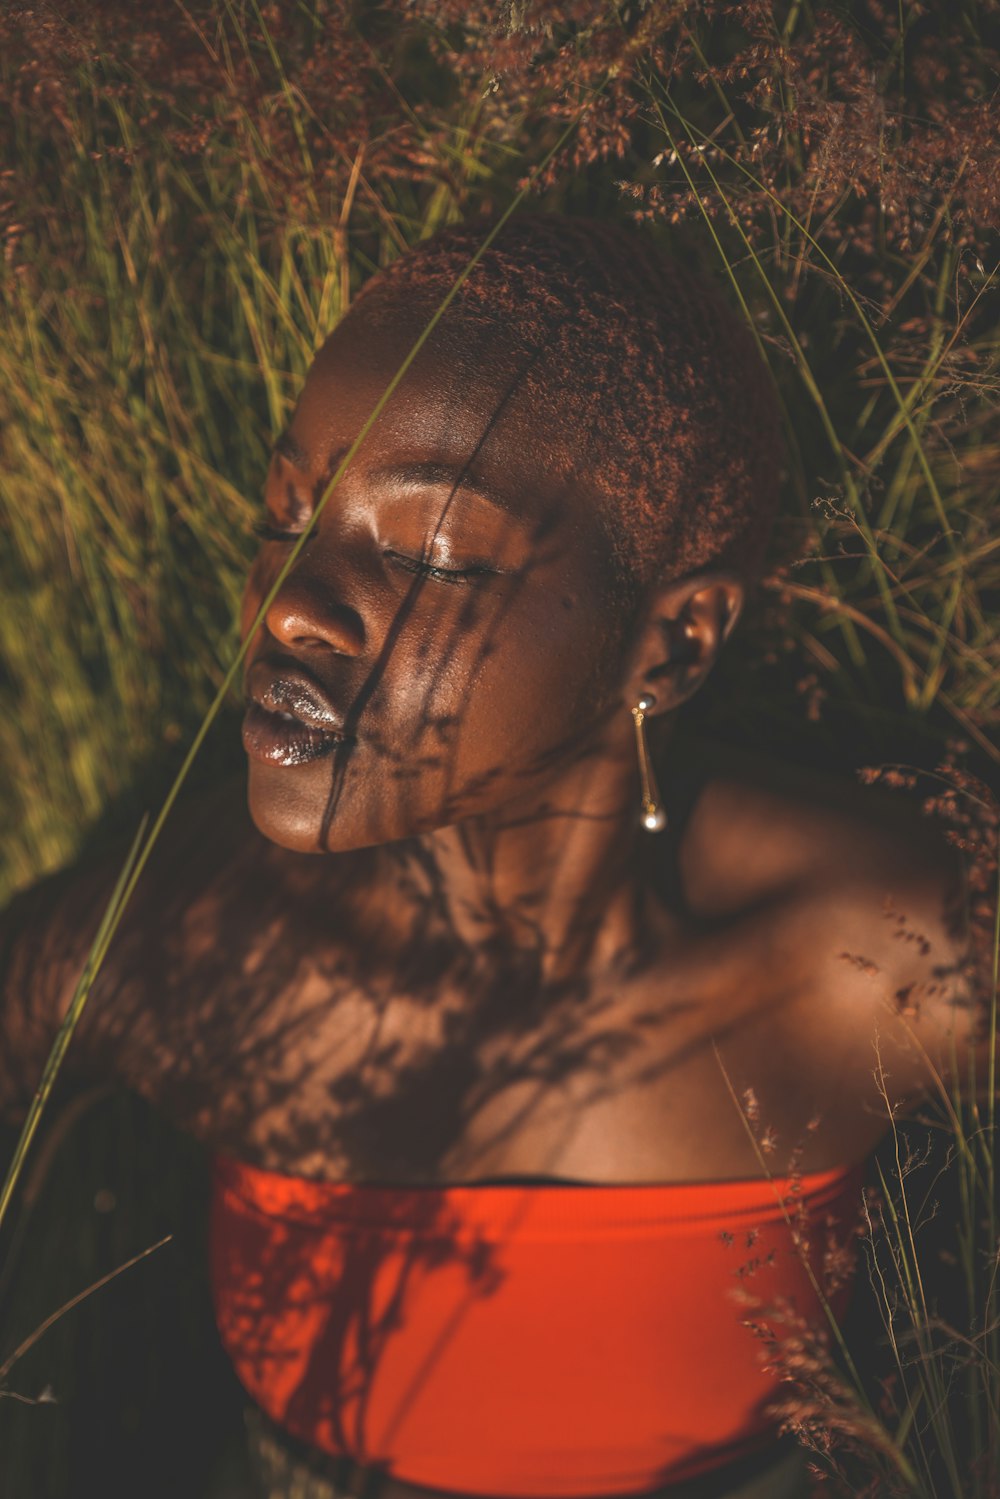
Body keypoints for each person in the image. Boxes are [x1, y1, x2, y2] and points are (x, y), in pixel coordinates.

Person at [0, 213, 981, 1499]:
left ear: (671, 642)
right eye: (289, 508)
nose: (288, 596)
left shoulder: (869, 959)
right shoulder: (195, 953)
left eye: (427, 550)